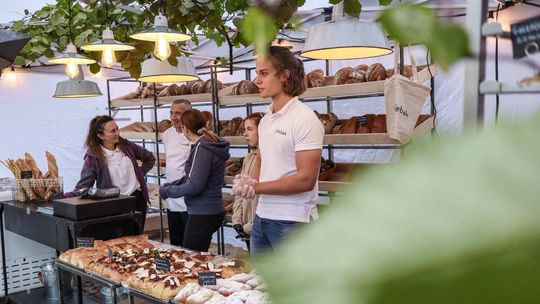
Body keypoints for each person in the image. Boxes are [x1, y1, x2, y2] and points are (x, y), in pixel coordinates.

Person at [233, 46, 324, 255]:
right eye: (257, 73)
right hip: (262, 217)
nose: (257, 80)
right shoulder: (265, 120)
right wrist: (250, 184)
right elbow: (262, 160)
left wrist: (258, 188)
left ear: (284, 76)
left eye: (264, 73)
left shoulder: (305, 119)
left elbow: (305, 180)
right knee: (261, 285)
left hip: (294, 223)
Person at [67, 115, 156, 234]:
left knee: (137, 239)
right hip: (114, 204)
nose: (117, 133)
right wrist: (66, 196)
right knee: (118, 241)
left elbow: (150, 158)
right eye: (112, 131)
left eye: (117, 129)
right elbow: (84, 185)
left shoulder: (127, 146)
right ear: (100, 135)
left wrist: (138, 173)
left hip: (137, 200)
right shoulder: (93, 157)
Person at [159, 109, 230, 252]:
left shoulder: (201, 147)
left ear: (185, 128)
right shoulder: (210, 143)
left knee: (192, 258)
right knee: (200, 256)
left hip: (202, 213)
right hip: (212, 210)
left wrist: (167, 191)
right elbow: (191, 176)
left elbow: (194, 185)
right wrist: (170, 185)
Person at [161, 99, 192, 246]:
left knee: (190, 244)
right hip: (172, 197)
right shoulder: (167, 134)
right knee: (175, 242)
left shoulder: (195, 135)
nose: (173, 117)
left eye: (178, 113)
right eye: (172, 113)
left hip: (189, 198)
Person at [231, 112, 264, 241]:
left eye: (249, 129)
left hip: (259, 228)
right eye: (245, 129)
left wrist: (250, 226)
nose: (244, 134)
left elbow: (265, 199)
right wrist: (237, 220)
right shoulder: (248, 158)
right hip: (246, 228)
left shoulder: (270, 160)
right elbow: (240, 191)